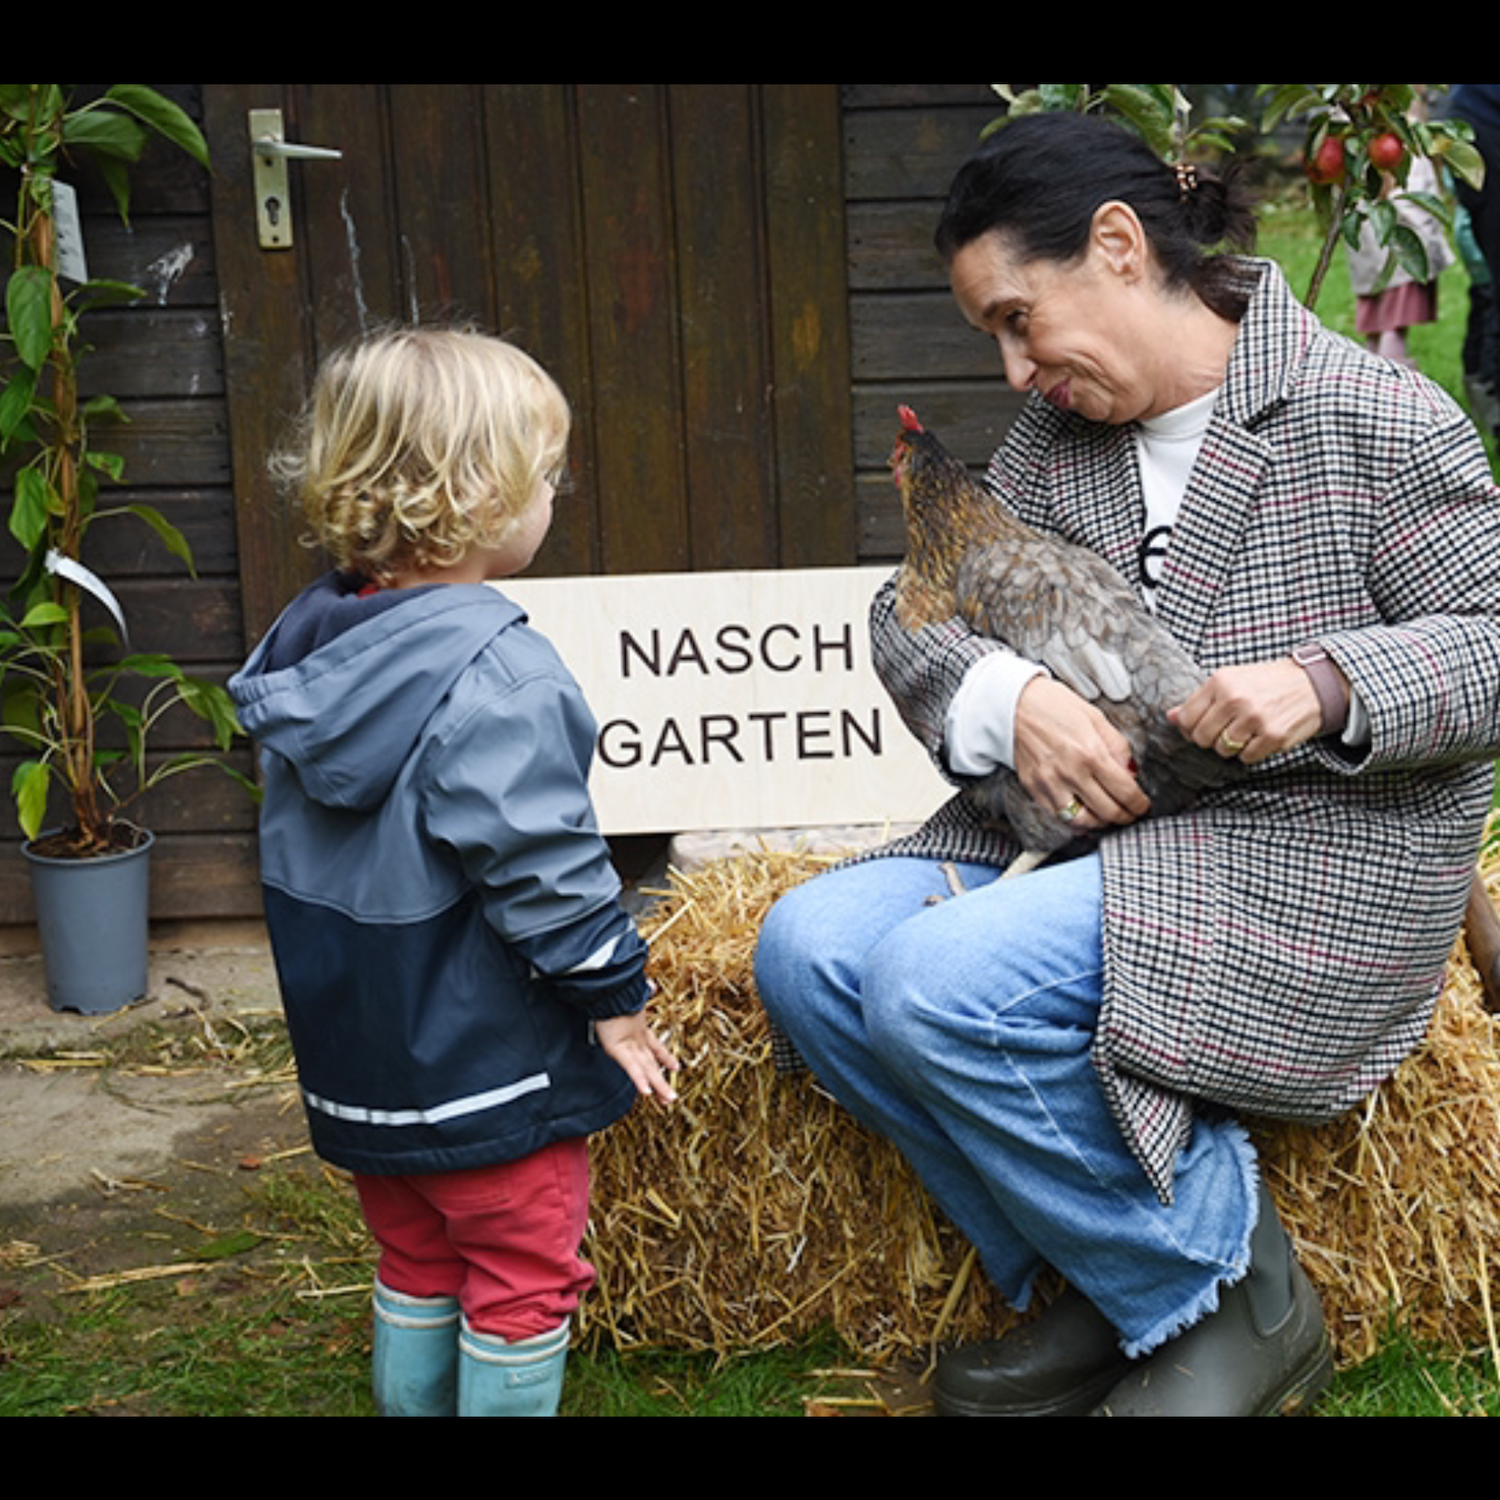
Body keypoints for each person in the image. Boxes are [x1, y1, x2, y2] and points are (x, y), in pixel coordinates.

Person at [754, 112, 1500, 1417]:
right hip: (1091, 838)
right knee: (808, 952)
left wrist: (1328, 684)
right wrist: (1011, 690)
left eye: (1017, 317)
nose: (1012, 365)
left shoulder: (1371, 415)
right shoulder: (1056, 445)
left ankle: (1233, 1301)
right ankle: (1106, 1286)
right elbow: (913, 612)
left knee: (936, 981)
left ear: (1115, 246)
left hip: (1303, 859)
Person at [229, 328, 679, 1417]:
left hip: (363, 1062)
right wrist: (616, 1002)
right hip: (485, 1064)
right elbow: (546, 871)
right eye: (545, 473)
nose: (557, 492)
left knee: (420, 1259)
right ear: (476, 497)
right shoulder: (499, 672)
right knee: (523, 1276)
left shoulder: (309, 648)